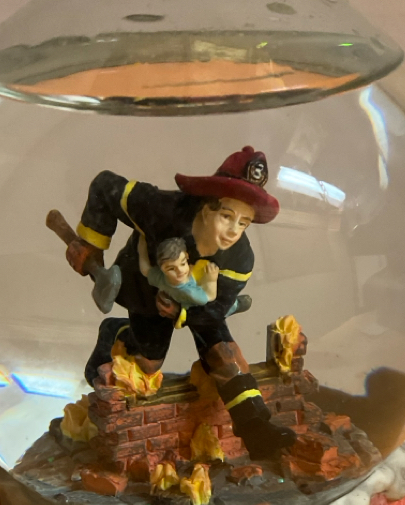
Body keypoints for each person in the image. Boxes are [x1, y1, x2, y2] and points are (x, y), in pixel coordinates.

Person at [64, 146, 296, 460]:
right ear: (206, 207)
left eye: (244, 223)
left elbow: (217, 308)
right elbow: (106, 185)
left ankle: (256, 429)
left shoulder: (241, 258)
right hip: (148, 292)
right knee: (148, 365)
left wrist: (183, 311)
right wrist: (91, 247)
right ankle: (116, 333)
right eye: (227, 216)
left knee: (226, 355)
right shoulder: (162, 209)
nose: (233, 231)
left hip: (199, 307)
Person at [137, 235, 218, 329]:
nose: (180, 271)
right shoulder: (192, 294)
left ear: (187, 256)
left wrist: (142, 244)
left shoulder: (160, 278)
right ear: (162, 269)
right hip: (187, 308)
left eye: (183, 264)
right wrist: (212, 280)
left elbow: (145, 270)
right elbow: (210, 296)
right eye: (171, 269)